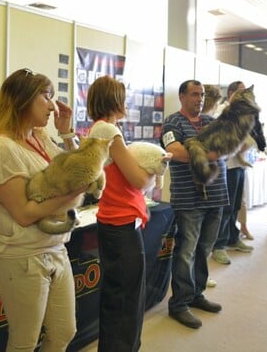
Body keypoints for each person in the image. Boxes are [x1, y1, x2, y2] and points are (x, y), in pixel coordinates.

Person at [0, 68, 83, 351]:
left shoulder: (38, 138)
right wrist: (70, 195)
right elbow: (23, 213)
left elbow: (76, 169)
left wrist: (67, 133)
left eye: (52, 97)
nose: (52, 105)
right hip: (21, 255)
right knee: (25, 341)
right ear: (22, 99)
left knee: (64, 331)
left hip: (54, 247)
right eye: (45, 96)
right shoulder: (3, 147)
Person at [86, 76, 160, 351]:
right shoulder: (108, 131)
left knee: (118, 296)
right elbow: (138, 179)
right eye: (122, 95)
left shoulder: (101, 129)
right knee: (128, 301)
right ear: (113, 99)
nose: (126, 101)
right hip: (121, 223)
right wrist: (152, 173)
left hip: (115, 220)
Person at [161, 80, 227, 329]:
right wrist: (209, 152)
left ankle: (196, 293)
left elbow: (226, 147)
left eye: (201, 95)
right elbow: (175, 151)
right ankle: (179, 304)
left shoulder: (211, 122)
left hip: (217, 196)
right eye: (194, 94)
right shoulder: (172, 123)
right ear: (182, 96)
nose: (199, 99)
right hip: (189, 199)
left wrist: (200, 150)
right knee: (186, 252)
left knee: (204, 250)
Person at [211, 81, 256, 265]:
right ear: (230, 94)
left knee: (236, 205)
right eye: (240, 92)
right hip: (226, 165)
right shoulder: (221, 110)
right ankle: (218, 246)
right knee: (226, 207)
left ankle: (232, 237)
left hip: (239, 165)